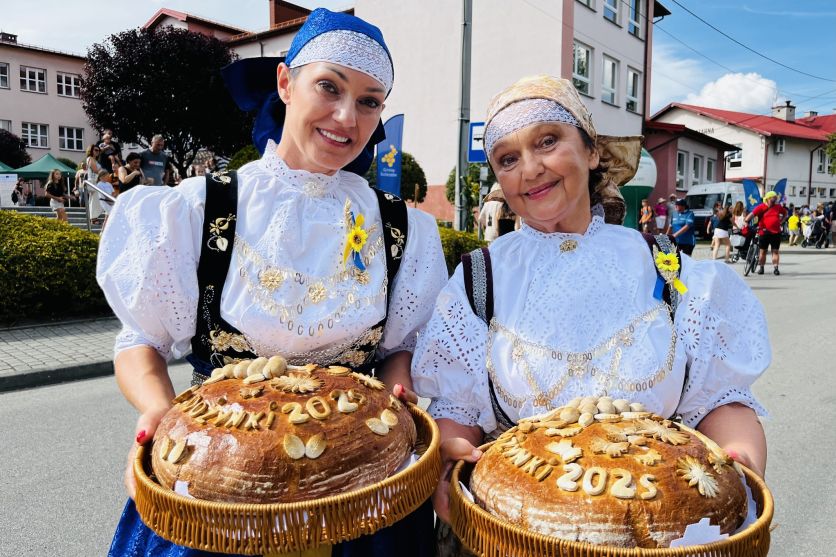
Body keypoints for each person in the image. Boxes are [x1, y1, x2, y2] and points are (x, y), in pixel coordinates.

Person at [97, 8, 447, 557]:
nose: (346, 117)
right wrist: (159, 411)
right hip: (220, 492)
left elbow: (399, 347)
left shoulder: (400, 226)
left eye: (369, 101)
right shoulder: (197, 208)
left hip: (361, 493)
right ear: (285, 82)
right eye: (329, 87)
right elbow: (142, 340)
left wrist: (397, 391)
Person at [410, 76, 769, 552]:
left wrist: (741, 462)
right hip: (513, 532)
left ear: (593, 151)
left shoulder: (666, 265)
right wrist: (449, 458)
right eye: (508, 159)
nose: (531, 169)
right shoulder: (480, 277)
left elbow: (719, 399)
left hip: (656, 529)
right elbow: (457, 409)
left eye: (547, 141)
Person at [745, 190, 787, 275]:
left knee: (775, 251)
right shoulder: (761, 207)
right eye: (773, 197)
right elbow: (752, 214)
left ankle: (776, 268)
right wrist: (746, 221)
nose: (775, 199)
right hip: (764, 232)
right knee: (763, 251)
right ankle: (761, 268)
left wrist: (781, 221)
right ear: (768, 198)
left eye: (775, 197)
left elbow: (785, 213)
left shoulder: (778, 207)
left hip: (776, 232)